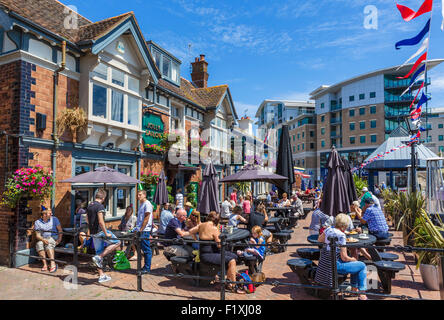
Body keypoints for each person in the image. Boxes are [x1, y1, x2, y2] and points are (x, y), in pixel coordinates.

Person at [187, 212, 242, 294]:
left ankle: (227, 280)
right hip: (209, 255)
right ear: (216, 221)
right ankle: (233, 286)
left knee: (233, 255)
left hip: (203, 254)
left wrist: (196, 239)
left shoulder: (201, 225)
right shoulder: (214, 228)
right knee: (232, 260)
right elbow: (219, 245)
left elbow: (190, 231)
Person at [315, 214, 368, 300]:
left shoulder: (328, 229)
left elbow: (319, 240)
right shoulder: (341, 235)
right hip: (335, 265)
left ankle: (354, 289)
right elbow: (344, 258)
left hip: (325, 263)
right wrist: (353, 259)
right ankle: (362, 294)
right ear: (344, 225)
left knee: (355, 265)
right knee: (361, 265)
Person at [85, 189, 121, 283]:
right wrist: (106, 233)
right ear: (103, 198)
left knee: (98, 252)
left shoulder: (89, 205)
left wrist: (91, 229)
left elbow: (87, 220)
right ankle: (100, 256)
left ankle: (101, 275)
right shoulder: (100, 206)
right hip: (100, 232)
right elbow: (101, 222)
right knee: (118, 242)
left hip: (93, 233)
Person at [34, 207, 63, 273]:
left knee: (49, 242)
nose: (51, 214)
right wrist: (43, 239)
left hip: (53, 237)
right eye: (49, 213)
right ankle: (45, 264)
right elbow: (37, 235)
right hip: (43, 238)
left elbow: (60, 230)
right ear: (44, 215)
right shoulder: (37, 222)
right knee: (39, 244)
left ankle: (53, 264)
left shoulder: (55, 219)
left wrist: (59, 239)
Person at [134, 190, 154, 274]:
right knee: (142, 248)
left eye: (140, 195)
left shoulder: (147, 204)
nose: (138, 196)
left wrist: (141, 229)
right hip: (140, 230)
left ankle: (147, 268)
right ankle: (145, 267)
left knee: (146, 250)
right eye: (137, 195)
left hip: (144, 230)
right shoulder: (141, 204)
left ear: (144, 195)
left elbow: (146, 218)